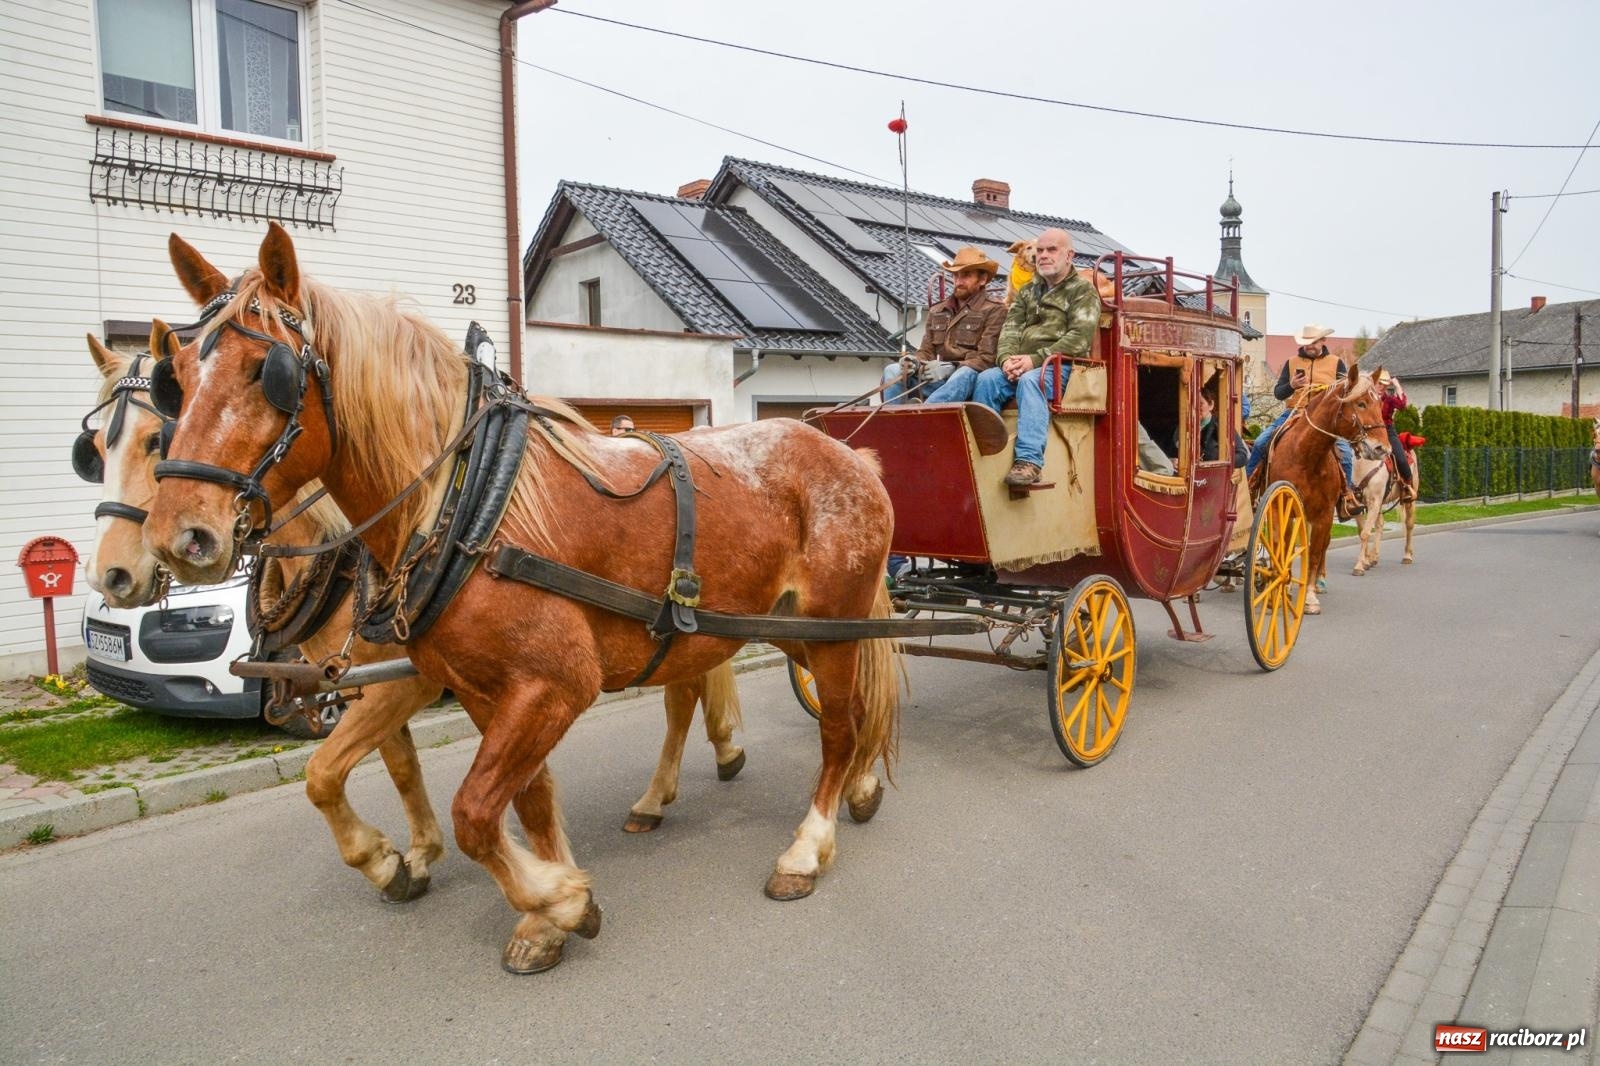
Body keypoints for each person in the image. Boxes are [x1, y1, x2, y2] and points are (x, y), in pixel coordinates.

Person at [968, 228, 1102, 487]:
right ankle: (980, 451)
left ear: (1069, 255)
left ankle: (1029, 462)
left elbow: (1079, 339)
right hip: (1025, 363)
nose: (1043, 255)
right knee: (986, 379)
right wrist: (1006, 359)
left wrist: (1034, 360)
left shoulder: (1083, 292)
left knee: (1032, 381)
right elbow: (1009, 330)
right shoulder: (1027, 291)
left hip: (1064, 367)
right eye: (1040, 250)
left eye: (1052, 250)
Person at [1245, 323, 1356, 509]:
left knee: (1345, 452)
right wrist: (1292, 385)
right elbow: (1278, 393)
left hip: (1325, 418)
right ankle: (1249, 487)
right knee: (1261, 442)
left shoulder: (1336, 363)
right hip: (1295, 411)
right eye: (1306, 343)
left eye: (1313, 342)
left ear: (1322, 341)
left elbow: (1346, 393)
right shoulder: (1292, 362)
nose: (1309, 346)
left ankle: (1347, 496)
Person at [884, 247, 1006, 405]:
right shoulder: (937, 310)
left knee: (964, 373)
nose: (959, 281)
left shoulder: (995, 310)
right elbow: (926, 351)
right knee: (892, 370)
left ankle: (923, 417)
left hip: (969, 380)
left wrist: (950, 367)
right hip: (936, 379)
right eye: (956, 275)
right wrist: (914, 361)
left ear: (982, 280)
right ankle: (892, 422)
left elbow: (987, 359)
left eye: (966, 275)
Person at [1377, 370, 1414, 500]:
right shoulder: (1367, 397)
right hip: (1369, 431)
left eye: (1385, 385)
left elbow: (1402, 405)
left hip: (1387, 431)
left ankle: (1407, 486)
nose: (1382, 387)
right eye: (1380, 383)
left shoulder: (1389, 400)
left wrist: (1397, 386)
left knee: (1401, 458)